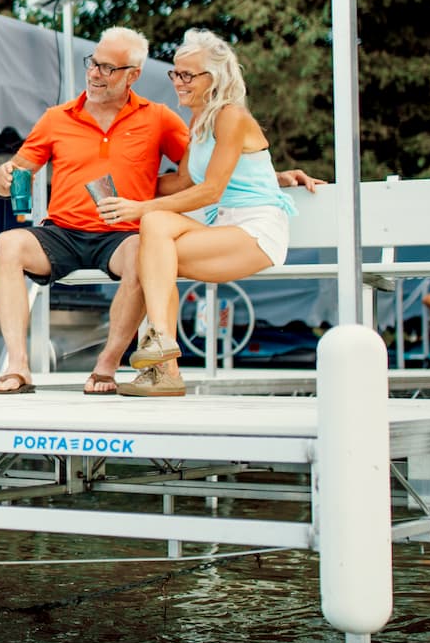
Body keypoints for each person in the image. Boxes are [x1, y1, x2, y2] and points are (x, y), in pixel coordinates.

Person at [105, 30, 323, 397]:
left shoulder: (230, 116)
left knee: (152, 245)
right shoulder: (200, 121)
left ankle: (162, 358)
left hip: (255, 231)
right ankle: (165, 360)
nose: (178, 82)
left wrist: (140, 206)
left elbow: (210, 190)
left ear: (215, 78)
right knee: (154, 234)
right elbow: (184, 181)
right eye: (175, 74)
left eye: (188, 75)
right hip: (221, 225)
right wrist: (127, 182)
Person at [0, 27, 191, 396]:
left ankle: (106, 366)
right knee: (8, 244)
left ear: (133, 75)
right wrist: (2, 177)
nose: (96, 74)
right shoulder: (56, 117)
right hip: (62, 232)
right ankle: (18, 367)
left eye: (108, 68)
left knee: (146, 254)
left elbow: (206, 169)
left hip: (121, 233)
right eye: (93, 63)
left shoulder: (158, 118)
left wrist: (271, 175)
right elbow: (15, 173)